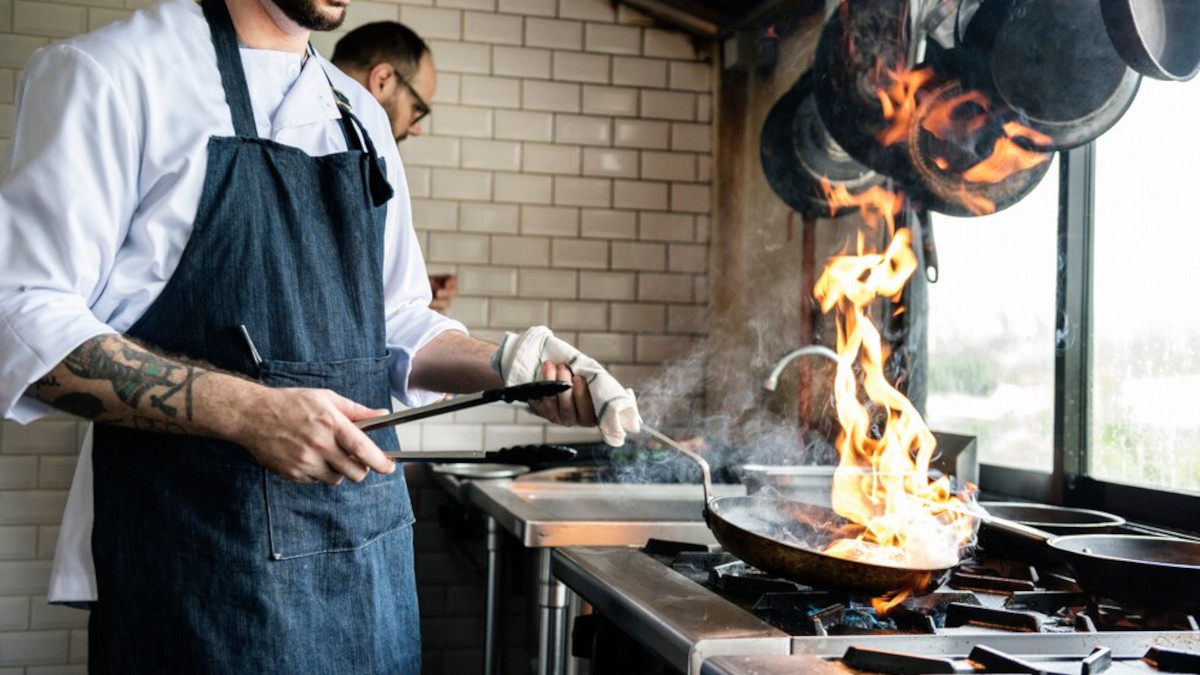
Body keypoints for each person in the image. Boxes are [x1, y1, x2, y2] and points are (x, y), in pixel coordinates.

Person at [0, 0, 639, 672]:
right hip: (200, 572)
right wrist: (247, 410)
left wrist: (510, 362)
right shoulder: (110, 75)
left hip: (367, 570)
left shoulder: (357, 117)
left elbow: (394, 320)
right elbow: (21, 320)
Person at [332, 22, 457, 313]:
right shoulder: (339, 155)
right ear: (383, 80)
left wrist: (402, 293)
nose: (416, 129)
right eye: (417, 109)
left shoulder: (369, 157)